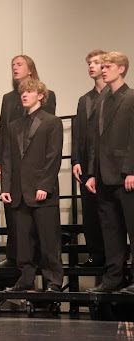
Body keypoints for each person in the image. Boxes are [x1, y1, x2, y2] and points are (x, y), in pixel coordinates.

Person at [0, 55, 57, 269]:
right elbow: (3, 130)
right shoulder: (9, 98)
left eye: (19, 64)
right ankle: (15, 259)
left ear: (30, 70)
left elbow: (45, 133)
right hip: (13, 161)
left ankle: (41, 265)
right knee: (15, 215)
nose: (14, 68)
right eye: (12, 65)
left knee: (39, 221)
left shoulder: (48, 98)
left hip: (35, 165)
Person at [0, 79, 63, 292]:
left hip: (42, 191)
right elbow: (7, 158)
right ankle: (25, 279)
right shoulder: (14, 125)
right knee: (23, 242)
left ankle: (53, 281)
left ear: (40, 96)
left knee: (48, 241)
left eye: (29, 91)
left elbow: (53, 157)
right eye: (22, 92)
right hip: (18, 191)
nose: (24, 95)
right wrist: (5, 188)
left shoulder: (52, 122)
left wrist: (45, 185)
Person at [85, 52, 134, 293]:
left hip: (125, 175)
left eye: (108, 66)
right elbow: (96, 139)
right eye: (102, 66)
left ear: (122, 69)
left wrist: (131, 170)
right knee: (111, 230)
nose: (103, 70)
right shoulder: (102, 101)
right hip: (103, 175)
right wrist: (92, 173)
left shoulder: (132, 97)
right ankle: (114, 278)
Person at [71, 50, 108, 268]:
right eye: (89, 63)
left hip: (107, 163)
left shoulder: (114, 97)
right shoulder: (84, 99)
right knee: (90, 211)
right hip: (86, 163)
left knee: (110, 212)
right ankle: (96, 254)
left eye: (96, 62)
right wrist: (76, 160)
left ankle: (116, 258)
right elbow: (78, 133)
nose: (91, 66)